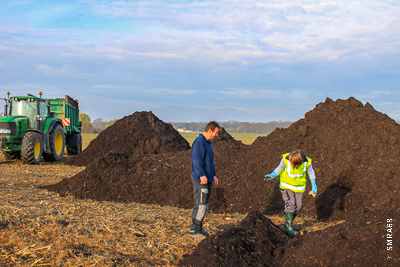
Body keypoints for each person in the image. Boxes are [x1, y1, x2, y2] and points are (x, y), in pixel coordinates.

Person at [264, 149, 317, 235]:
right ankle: (289, 227)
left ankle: (288, 223)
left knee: (298, 207)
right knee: (291, 204)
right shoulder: (286, 158)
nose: (289, 160)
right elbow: (280, 168)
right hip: (286, 186)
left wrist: (314, 185)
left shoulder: (306, 162)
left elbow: (311, 173)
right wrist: (273, 174)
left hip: (299, 188)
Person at [189, 121, 220, 238]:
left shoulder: (208, 143)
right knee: (200, 205)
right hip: (200, 180)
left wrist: (213, 175)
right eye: (216, 133)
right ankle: (194, 231)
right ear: (210, 131)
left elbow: (209, 162)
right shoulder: (199, 142)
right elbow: (197, 160)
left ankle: (199, 228)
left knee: (205, 205)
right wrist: (201, 174)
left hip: (207, 179)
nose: (217, 135)